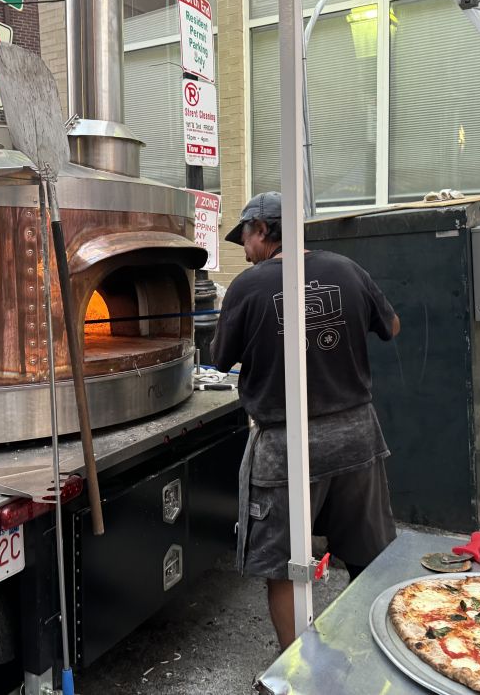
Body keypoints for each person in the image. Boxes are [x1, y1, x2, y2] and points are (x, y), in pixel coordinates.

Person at [211, 191, 400, 649]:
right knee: (369, 554)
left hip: (286, 446)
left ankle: (296, 669)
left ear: (263, 230)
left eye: (245, 238)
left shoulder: (247, 286)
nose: (244, 250)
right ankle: (377, 653)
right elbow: (391, 327)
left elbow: (219, 360)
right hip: (356, 435)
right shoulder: (346, 269)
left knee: (284, 567)